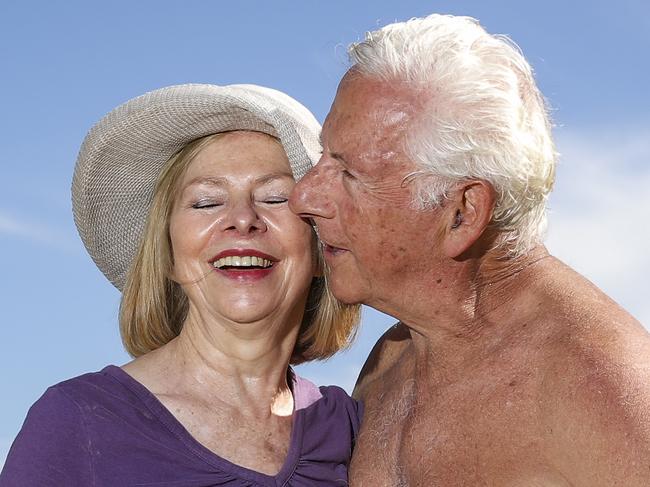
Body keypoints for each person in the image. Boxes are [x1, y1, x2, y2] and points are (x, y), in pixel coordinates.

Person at [290, 13, 650, 487]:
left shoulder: (608, 388)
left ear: (462, 213)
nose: (303, 196)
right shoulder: (392, 358)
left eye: (349, 174)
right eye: (322, 157)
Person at [1, 84, 361, 486]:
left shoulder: (348, 424)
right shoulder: (78, 420)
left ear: (319, 247)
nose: (242, 219)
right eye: (207, 202)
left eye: (275, 198)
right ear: (168, 254)